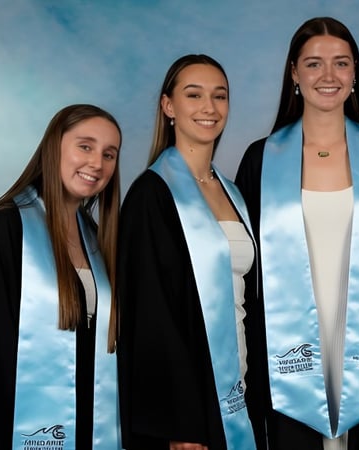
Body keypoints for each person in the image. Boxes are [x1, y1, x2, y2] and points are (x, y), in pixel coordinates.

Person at [235, 16, 359, 450]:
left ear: (354, 74)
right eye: (313, 64)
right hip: (287, 339)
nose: (328, 76)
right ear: (293, 73)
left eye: (341, 63)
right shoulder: (261, 160)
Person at [0, 104, 122, 450]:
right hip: (17, 430)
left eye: (109, 154)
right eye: (85, 146)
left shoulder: (93, 237)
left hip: (89, 429)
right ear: (53, 147)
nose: (97, 163)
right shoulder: (6, 228)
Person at [116, 54, 257, 450]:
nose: (209, 108)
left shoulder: (233, 193)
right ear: (168, 106)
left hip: (240, 391)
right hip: (189, 413)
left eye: (219, 96)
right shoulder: (151, 196)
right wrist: (180, 425)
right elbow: (151, 317)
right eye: (193, 95)